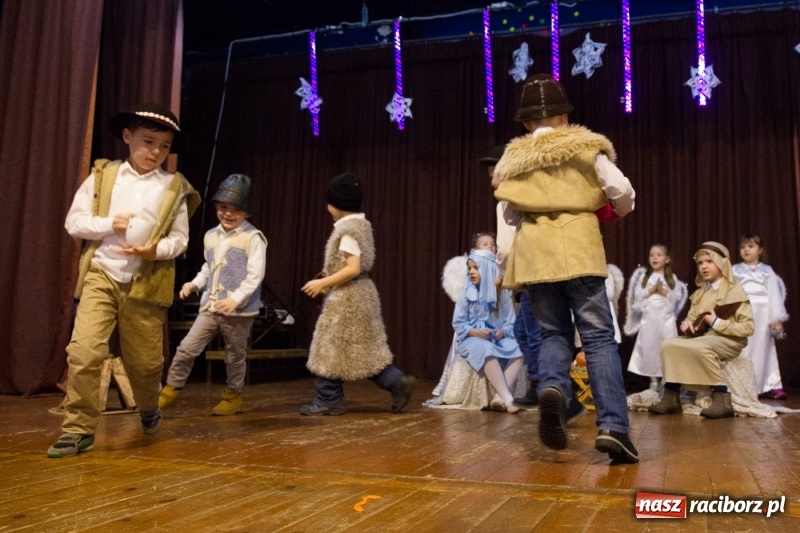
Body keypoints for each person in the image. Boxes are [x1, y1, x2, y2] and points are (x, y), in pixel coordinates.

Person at [493, 73, 638, 463]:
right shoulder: (587, 148)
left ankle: (554, 387)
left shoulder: (513, 161)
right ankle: (614, 428)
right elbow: (622, 192)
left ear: (525, 122)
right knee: (598, 338)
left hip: (537, 254)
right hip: (579, 248)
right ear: (564, 115)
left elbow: (508, 213)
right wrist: (612, 211)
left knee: (553, 332)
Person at [49, 103, 201, 458]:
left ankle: (148, 406)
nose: (156, 152)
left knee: (146, 365)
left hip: (144, 283)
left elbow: (181, 239)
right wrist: (109, 225)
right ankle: (78, 429)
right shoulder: (104, 176)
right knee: (85, 352)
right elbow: (75, 222)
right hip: (102, 272)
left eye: (164, 146)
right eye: (148, 142)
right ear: (128, 137)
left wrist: (155, 251)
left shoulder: (174, 186)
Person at [299, 172, 416, 415]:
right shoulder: (360, 226)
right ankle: (396, 382)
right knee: (360, 349)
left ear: (335, 204)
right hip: (359, 294)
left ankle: (327, 400)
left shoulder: (348, 231)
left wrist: (323, 283)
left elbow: (353, 268)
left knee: (328, 346)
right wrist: (329, 270)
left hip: (348, 297)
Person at [158, 174, 266, 415]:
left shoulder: (253, 238)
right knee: (186, 348)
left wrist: (235, 299)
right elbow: (209, 267)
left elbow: (255, 275)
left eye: (236, 209)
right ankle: (171, 389)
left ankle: (233, 395)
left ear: (247, 212)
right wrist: (195, 284)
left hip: (238, 311)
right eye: (224, 207)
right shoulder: (211, 236)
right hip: (211, 306)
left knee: (234, 356)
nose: (228, 213)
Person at [649, 242, 754, 419]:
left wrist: (716, 322)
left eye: (709, 261)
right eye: (700, 263)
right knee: (668, 344)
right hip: (704, 337)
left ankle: (722, 398)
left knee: (700, 347)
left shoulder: (735, 291)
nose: (704, 266)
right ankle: (671, 396)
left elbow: (748, 328)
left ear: (721, 263)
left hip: (729, 340)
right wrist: (687, 325)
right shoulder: (700, 293)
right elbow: (692, 319)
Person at [451, 246, 523, 412]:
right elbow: (458, 323)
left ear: (488, 268)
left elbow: (511, 323)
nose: (471, 272)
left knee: (519, 349)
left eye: (476, 267)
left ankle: (499, 397)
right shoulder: (466, 292)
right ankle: (508, 398)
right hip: (472, 339)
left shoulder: (502, 294)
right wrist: (476, 332)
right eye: (469, 268)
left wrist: (502, 332)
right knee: (487, 348)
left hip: (496, 338)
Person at [624, 244, 687, 391]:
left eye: (659, 255)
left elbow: (676, 297)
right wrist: (652, 290)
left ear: (667, 259)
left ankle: (666, 380)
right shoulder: (645, 277)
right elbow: (638, 297)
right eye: (652, 255)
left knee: (665, 347)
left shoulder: (672, 278)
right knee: (650, 347)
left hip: (665, 319)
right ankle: (653, 380)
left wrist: (663, 292)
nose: (654, 258)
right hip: (649, 319)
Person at [732, 234, 788, 399]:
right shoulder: (735, 270)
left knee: (766, 348)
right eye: (743, 247)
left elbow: (774, 294)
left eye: (750, 246)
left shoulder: (767, 270)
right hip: (743, 312)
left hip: (763, 314)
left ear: (760, 250)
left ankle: (772, 384)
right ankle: (742, 385)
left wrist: (776, 318)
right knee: (744, 349)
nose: (746, 250)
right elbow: (731, 292)